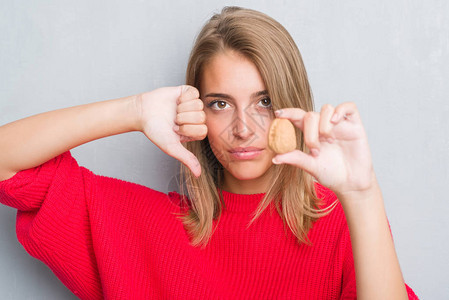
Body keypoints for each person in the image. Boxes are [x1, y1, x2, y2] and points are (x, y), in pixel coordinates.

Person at [0, 6, 418, 300]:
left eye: (264, 101)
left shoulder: (340, 225)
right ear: (196, 112)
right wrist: (134, 111)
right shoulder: (143, 227)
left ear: (293, 103)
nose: (242, 128)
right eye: (220, 103)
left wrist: (362, 194)